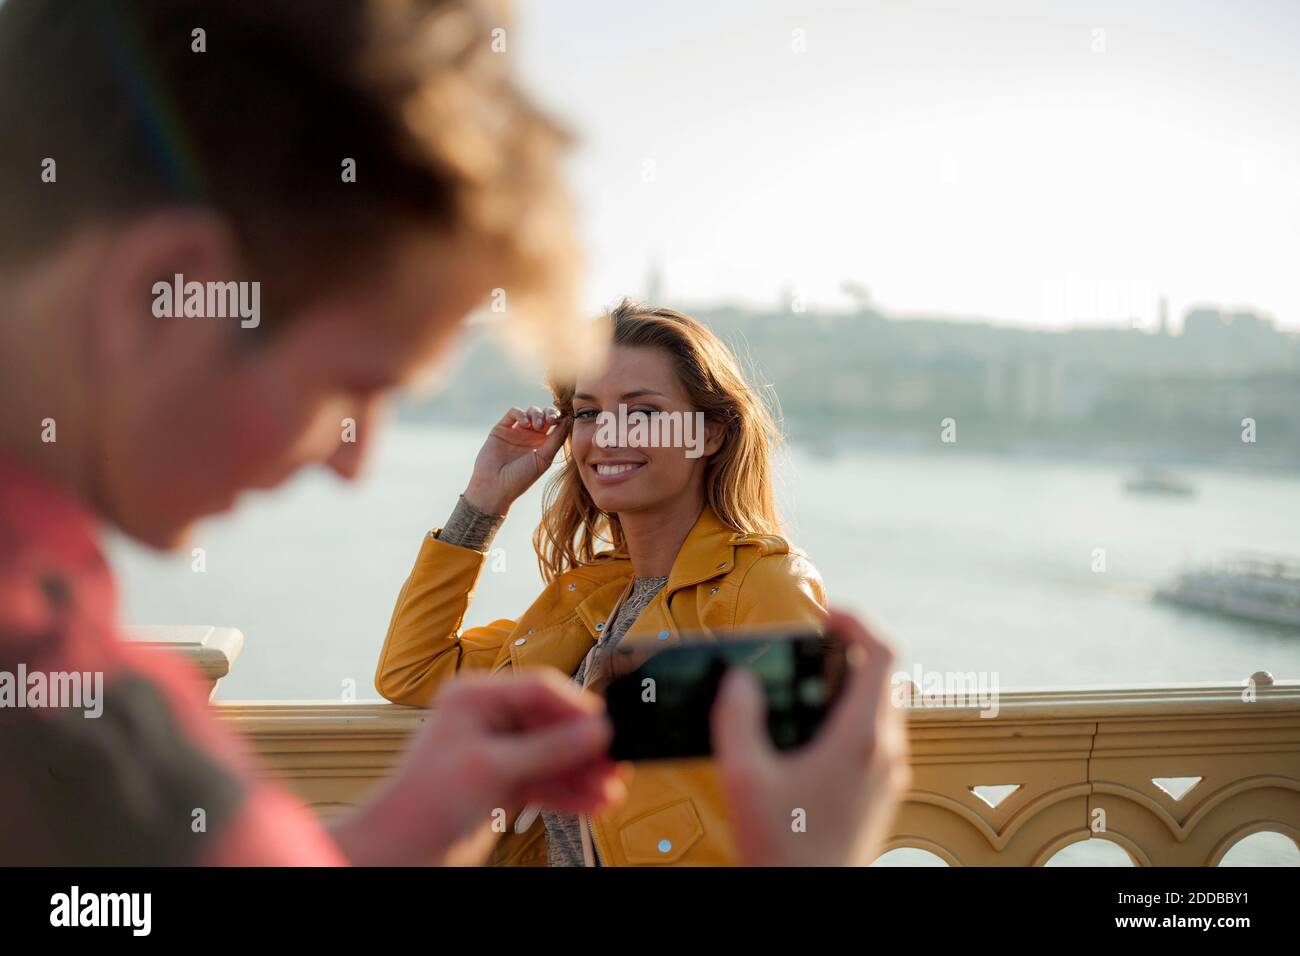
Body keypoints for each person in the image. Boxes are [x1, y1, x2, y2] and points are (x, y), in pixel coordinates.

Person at [0, 0, 908, 867]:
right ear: (166, 294)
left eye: (643, 409)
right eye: (351, 385)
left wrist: (391, 834)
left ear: (710, 433)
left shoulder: (59, 663)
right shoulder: (67, 701)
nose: (353, 459)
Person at [377, 301, 849, 865]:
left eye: (642, 411)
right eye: (588, 413)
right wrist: (483, 503)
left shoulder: (759, 586)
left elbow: (810, 809)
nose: (607, 436)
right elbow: (413, 672)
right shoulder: (592, 598)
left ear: (712, 434)